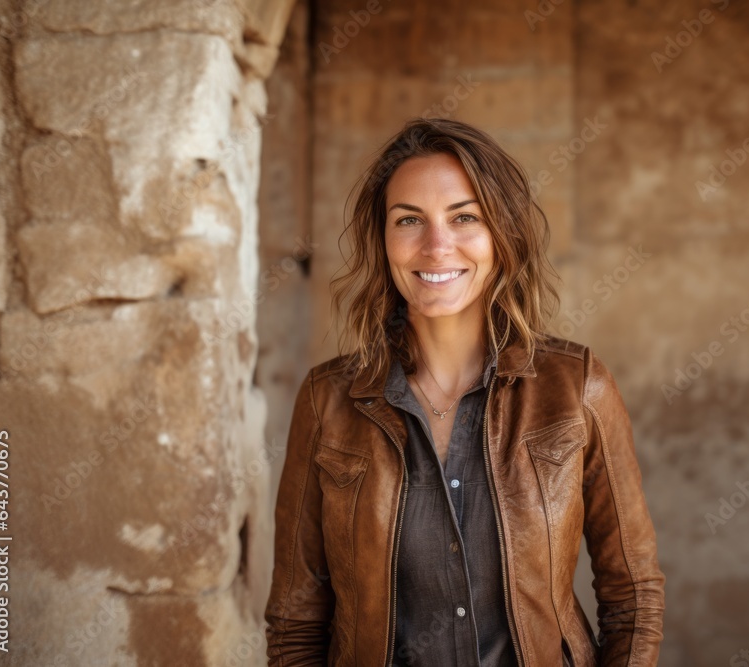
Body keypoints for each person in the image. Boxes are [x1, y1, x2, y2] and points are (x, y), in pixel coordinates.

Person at [264, 117, 665, 666]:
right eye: (409, 220)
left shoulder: (577, 388)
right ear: (382, 241)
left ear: (502, 235)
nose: (436, 246)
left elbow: (633, 597)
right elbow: (295, 621)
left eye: (464, 218)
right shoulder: (326, 401)